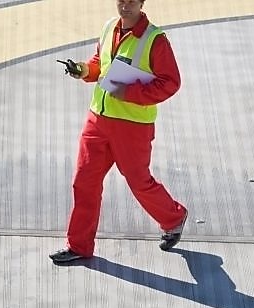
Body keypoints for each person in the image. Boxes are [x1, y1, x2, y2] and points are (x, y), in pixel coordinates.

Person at [50, 0, 189, 265]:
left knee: (139, 182)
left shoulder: (155, 40)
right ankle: (78, 245)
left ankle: (173, 218)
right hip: (98, 120)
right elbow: (100, 66)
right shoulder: (109, 28)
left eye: (132, 1)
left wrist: (130, 93)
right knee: (84, 181)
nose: (125, 5)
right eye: (121, 0)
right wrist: (83, 70)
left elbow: (171, 83)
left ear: (142, 3)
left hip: (133, 126)